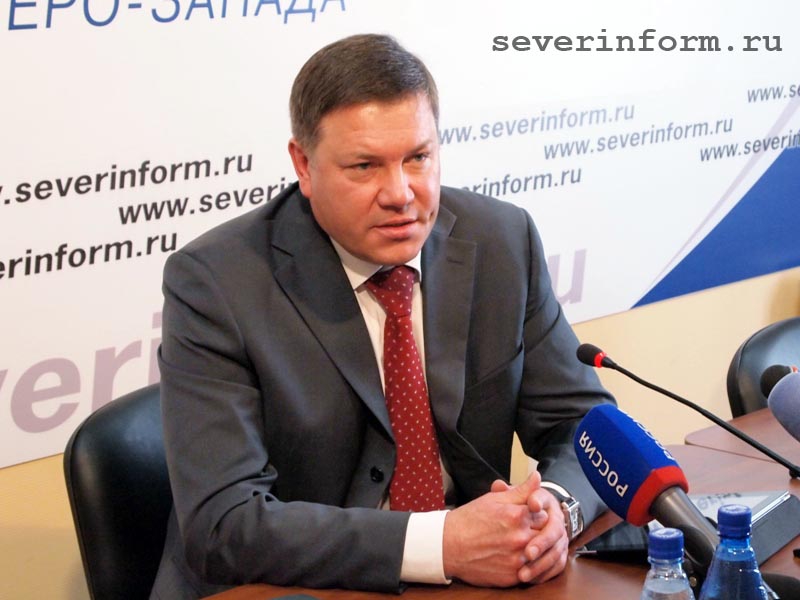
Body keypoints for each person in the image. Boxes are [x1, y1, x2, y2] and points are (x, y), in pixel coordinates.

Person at [150, 33, 616, 600]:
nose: (400, 193)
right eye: (365, 166)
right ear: (303, 164)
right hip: (297, 588)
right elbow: (225, 523)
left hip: (475, 582)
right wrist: (441, 543)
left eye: (418, 158)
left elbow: (587, 426)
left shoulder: (500, 240)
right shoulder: (217, 283)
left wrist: (558, 513)